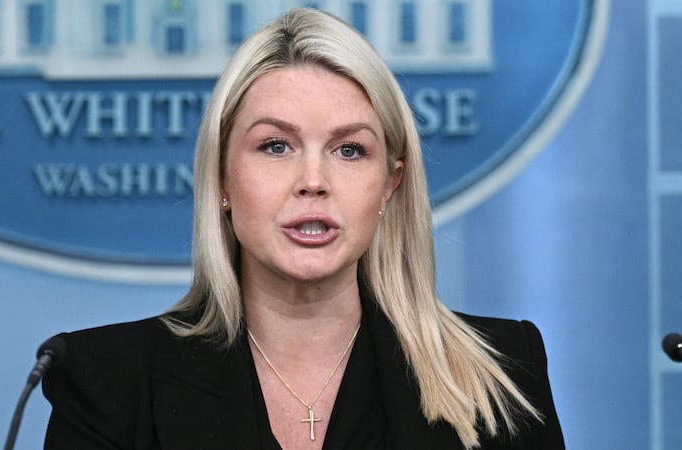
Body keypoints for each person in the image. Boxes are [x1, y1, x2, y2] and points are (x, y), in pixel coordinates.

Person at [42, 8, 564, 450]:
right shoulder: (105, 380)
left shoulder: (503, 371)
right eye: (276, 146)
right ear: (222, 178)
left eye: (349, 150)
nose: (313, 181)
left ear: (389, 185)